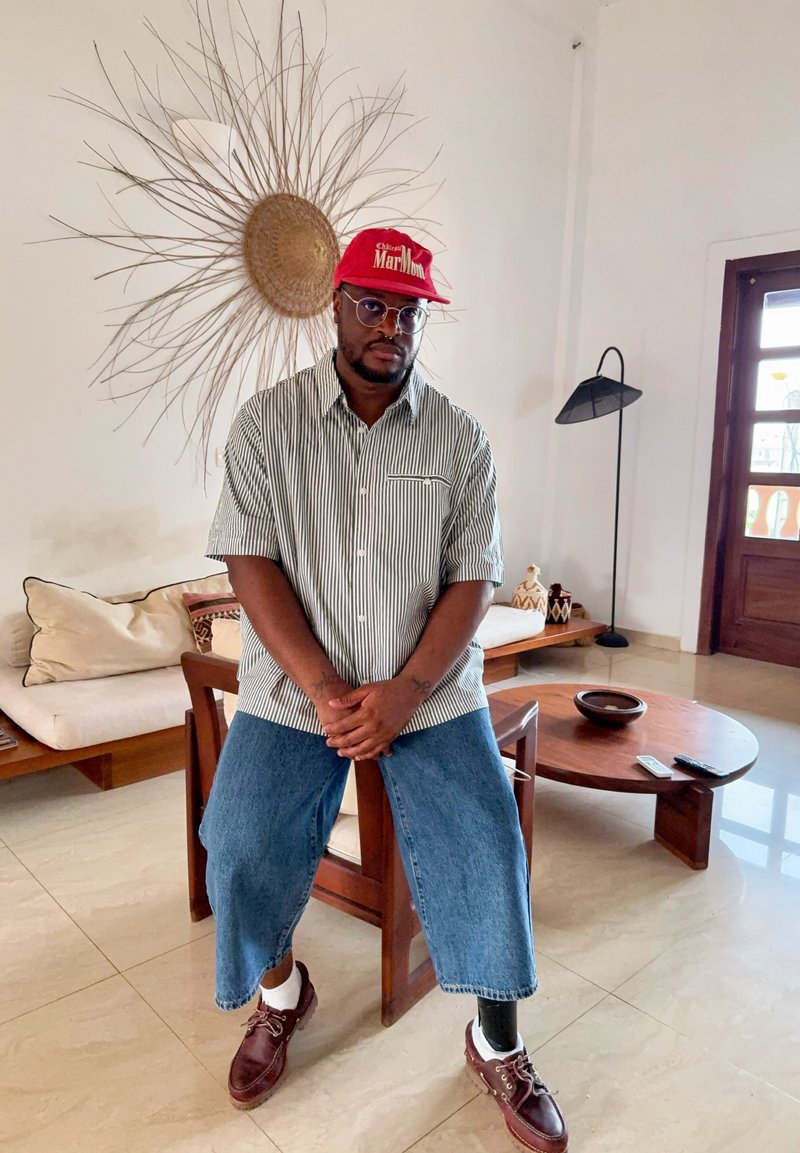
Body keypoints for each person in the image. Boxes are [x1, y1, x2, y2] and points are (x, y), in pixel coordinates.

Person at [202, 227, 568, 1153]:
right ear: (335, 304)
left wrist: (406, 688)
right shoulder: (267, 425)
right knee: (239, 842)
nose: (391, 326)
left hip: (429, 692)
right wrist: (325, 686)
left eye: (409, 311)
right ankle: (283, 995)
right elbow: (250, 562)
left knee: (490, 843)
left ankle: (497, 1040)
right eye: (374, 304)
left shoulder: (460, 438)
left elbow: (473, 580)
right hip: (295, 694)